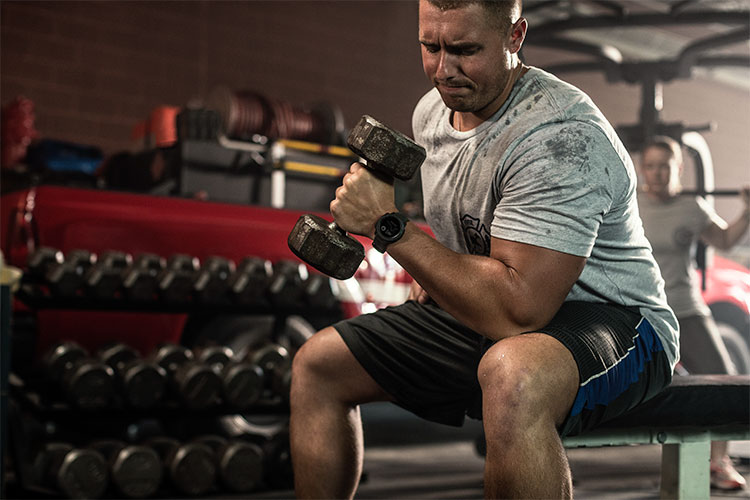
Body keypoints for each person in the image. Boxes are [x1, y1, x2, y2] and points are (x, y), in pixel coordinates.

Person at [290, 1, 679, 498]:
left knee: (513, 376)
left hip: (616, 321)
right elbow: (474, 249)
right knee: (319, 364)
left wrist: (389, 227)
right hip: (510, 304)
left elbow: (519, 312)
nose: (443, 69)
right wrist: (435, 277)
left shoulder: (560, 138)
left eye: (465, 50)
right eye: (430, 46)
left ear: (514, 37)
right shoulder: (432, 113)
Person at [638, 135, 750, 491]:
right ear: (643, 169)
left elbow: (725, 240)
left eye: (664, 166)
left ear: (679, 169)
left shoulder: (693, 207)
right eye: (650, 166)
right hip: (640, 309)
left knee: (724, 378)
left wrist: (747, 211)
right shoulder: (628, 202)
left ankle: (719, 462)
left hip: (686, 307)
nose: (656, 173)